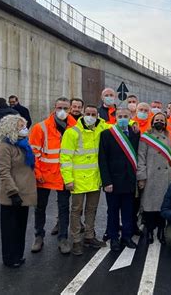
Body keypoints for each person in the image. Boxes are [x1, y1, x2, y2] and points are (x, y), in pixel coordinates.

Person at [29, 97, 77, 254]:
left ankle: (63, 238)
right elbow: (33, 153)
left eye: (66, 108)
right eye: (59, 107)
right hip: (44, 175)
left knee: (64, 208)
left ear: (70, 109)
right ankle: (38, 236)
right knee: (40, 208)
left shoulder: (75, 127)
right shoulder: (40, 128)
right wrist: (37, 173)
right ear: (54, 108)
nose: (62, 111)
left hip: (64, 175)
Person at [60, 105, 110, 255]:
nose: (90, 116)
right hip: (78, 180)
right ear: (83, 114)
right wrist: (68, 179)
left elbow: (120, 125)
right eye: (87, 113)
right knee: (76, 211)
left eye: (93, 114)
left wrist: (133, 124)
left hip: (94, 178)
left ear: (97, 116)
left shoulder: (101, 128)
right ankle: (76, 240)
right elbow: (65, 158)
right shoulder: (72, 133)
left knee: (91, 209)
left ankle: (89, 236)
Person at [0, 115, 36, 268]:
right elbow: (4, 171)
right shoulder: (5, 146)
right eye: (21, 126)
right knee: (9, 228)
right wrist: (13, 193)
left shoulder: (23, 144)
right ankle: (9, 258)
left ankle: (18, 254)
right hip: (11, 193)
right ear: (11, 128)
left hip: (24, 191)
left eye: (25, 126)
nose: (25, 129)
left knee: (20, 226)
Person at [98, 108, 140, 251]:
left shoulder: (135, 134)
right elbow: (102, 160)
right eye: (120, 116)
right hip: (113, 182)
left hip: (129, 180)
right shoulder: (106, 134)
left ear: (130, 118)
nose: (122, 118)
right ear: (115, 118)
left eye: (125, 116)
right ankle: (114, 237)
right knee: (113, 211)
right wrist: (106, 182)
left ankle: (127, 237)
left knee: (128, 211)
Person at [137, 112, 171, 244]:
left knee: (163, 207)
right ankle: (149, 231)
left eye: (162, 120)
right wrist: (141, 177)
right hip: (151, 177)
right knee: (149, 207)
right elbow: (141, 158)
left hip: (166, 177)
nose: (159, 122)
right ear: (152, 122)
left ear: (165, 123)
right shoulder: (145, 137)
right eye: (157, 120)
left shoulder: (168, 137)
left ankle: (161, 231)